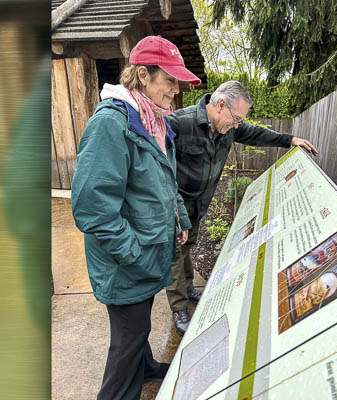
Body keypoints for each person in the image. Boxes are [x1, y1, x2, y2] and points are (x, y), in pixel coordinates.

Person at [71, 36, 200, 399]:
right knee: (127, 341)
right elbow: (92, 208)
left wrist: (179, 219)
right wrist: (133, 252)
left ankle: (144, 368)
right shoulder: (111, 125)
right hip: (125, 261)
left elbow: (164, 182)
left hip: (144, 255)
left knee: (139, 327)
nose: (176, 89)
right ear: (143, 75)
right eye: (170, 80)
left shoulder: (153, 121)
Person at [166, 80, 318, 334]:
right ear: (220, 105)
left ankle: (188, 287)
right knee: (173, 252)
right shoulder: (179, 123)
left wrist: (290, 139)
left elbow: (257, 134)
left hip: (199, 203)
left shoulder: (229, 128)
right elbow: (159, 164)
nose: (237, 125)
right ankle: (179, 307)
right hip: (175, 203)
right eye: (236, 118)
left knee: (187, 246)